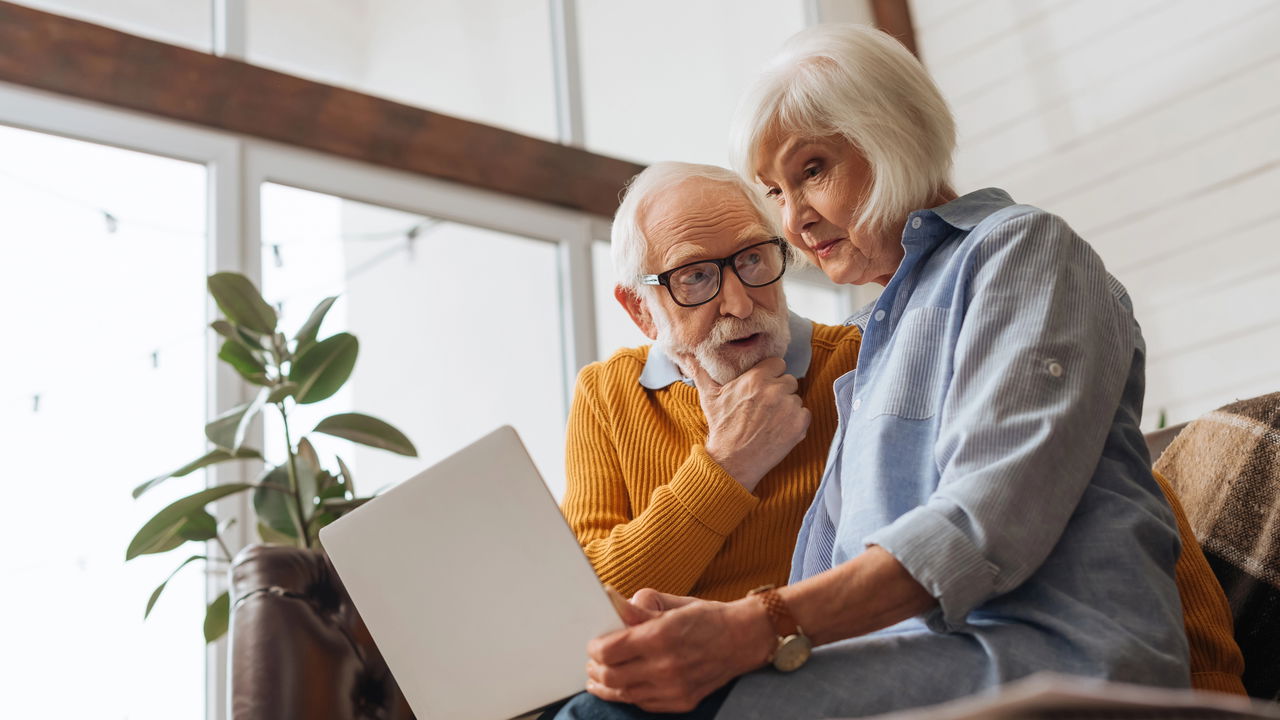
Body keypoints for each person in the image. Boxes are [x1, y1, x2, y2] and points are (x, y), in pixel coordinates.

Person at [556, 24, 1243, 719]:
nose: (795, 223)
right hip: (912, 665)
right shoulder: (879, 331)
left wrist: (749, 627)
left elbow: (990, 520)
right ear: (641, 311)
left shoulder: (1022, 251)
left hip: (1042, 659)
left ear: (892, 137)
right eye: (776, 193)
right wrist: (705, 624)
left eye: (813, 170)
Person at [560, 161, 863, 602]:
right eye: (696, 276)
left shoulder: (856, 360)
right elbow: (588, 603)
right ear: (640, 309)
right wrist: (730, 462)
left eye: (753, 259)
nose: (739, 304)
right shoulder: (606, 393)